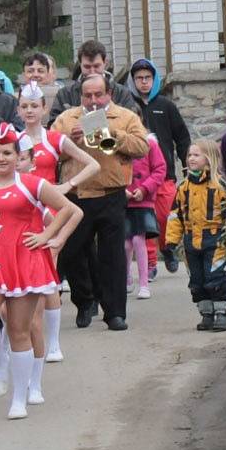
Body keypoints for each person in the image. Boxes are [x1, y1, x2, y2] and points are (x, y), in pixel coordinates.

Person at [0, 124, 82, 419]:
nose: (0, 158)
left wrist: (46, 236)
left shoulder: (32, 184)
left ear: (18, 156)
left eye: (7, 153)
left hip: (25, 261)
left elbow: (66, 208)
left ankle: (19, 398)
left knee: (19, 329)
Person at [51, 73, 149, 331]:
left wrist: (111, 133)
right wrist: (69, 142)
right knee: (72, 253)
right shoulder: (66, 118)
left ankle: (115, 312)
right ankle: (84, 301)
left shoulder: (126, 117)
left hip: (110, 192)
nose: (93, 100)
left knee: (112, 256)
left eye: (98, 95)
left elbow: (142, 147)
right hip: (77, 194)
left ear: (110, 94)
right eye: (87, 95)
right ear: (80, 95)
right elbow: (50, 154)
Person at [18, 81, 100, 360]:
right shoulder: (12, 140)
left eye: (34, 106)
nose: (29, 111)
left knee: (47, 277)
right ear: (18, 109)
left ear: (44, 108)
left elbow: (93, 163)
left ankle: (51, 342)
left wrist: (68, 185)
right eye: (24, 106)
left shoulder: (54, 138)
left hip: (50, 213)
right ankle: (22, 337)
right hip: (20, 213)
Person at [126, 58, 191, 277]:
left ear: (154, 80)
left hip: (164, 175)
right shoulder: (128, 107)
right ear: (132, 81)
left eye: (147, 78)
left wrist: (187, 163)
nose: (143, 82)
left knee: (165, 217)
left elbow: (181, 137)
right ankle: (151, 263)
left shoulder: (166, 106)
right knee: (146, 222)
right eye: (138, 78)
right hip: (138, 179)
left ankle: (167, 248)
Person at [165, 140, 226, 331]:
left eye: (196, 155)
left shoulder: (220, 185)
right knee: (196, 280)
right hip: (190, 240)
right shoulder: (183, 187)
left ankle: (222, 313)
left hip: (214, 238)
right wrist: (171, 239)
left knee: (215, 277)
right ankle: (206, 313)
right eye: (189, 155)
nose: (191, 158)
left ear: (209, 159)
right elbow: (175, 215)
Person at [48, 40, 138, 125]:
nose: (92, 71)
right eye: (87, 67)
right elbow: (53, 126)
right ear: (80, 64)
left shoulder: (122, 93)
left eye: (96, 66)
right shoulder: (65, 94)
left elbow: (133, 124)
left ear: (105, 63)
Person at [125, 132, 166, 300]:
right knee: (125, 244)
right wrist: (122, 190)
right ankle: (126, 278)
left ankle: (144, 284)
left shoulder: (150, 144)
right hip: (124, 201)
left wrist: (144, 189)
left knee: (137, 240)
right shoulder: (117, 143)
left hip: (143, 201)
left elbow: (160, 169)